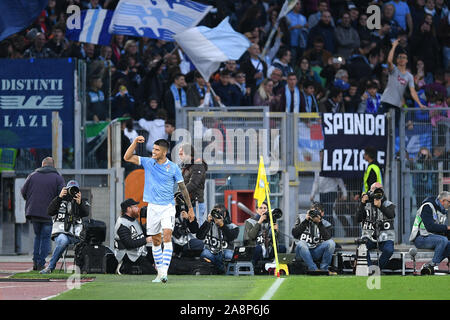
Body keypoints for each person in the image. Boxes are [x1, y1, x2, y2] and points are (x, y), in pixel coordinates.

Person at [123, 137, 194, 283]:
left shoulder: (173, 167)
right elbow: (127, 157)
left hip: (167, 207)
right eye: (153, 149)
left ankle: (163, 272)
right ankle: (160, 273)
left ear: (164, 152)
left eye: (156, 150)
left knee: (167, 235)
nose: (153, 152)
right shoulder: (149, 162)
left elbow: (183, 189)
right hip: (152, 207)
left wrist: (190, 208)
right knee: (156, 241)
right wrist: (135, 142)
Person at [21, 157, 65, 271]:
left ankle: (35, 262)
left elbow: (23, 191)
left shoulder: (32, 176)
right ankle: (41, 263)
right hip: (49, 214)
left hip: (34, 212)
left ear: (42, 164)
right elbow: (62, 195)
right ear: (53, 165)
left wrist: (31, 201)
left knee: (38, 236)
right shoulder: (57, 178)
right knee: (45, 238)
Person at [40, 180, 90, 274]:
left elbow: (86, 213)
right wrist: (59, 197)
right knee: (63, 240)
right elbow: (49, 212)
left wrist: (79, 204)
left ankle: (84, 269)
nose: (72, 192)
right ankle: (50, 267)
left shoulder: (82, 200)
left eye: (75, 189)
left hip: (76, 234)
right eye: (70, 189)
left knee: (87, 242)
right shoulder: (59, 199)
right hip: (60, 232)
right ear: (66, 189)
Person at [380, 39, 426, 124]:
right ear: (397, 60)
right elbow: (389, 61)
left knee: (394, 128)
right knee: (382, 127)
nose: (401, 59)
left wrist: (419, 103)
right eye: (399, 57)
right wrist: (393, 46)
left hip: (397, 105)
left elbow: (413, 92)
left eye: (404, 57)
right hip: (386, 102)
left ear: (407, 61)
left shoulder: (409, 76)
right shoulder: (393, 70)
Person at [356, 182, 395, 270]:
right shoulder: (365, 203)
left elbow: (391, 215)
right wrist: (362, 204)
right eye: (376, 189)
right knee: (362, 247)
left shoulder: (388, 204)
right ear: (370, 191)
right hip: (368, 236)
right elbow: (358, 219)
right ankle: (370, 269)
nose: (378, 191)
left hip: (385, 237)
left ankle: (376, 268)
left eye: (380, 188)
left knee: (389, 250)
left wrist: (380, 206)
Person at [410, 191, 450, 273]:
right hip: (420, 238)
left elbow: (440, 230)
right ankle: (433, 265)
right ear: (443, 201)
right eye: (449, 202)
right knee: (443, 240)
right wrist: (447, 227)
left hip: (432, 238)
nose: (449, 204)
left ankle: (429, 265)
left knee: (448, 243)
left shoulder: (441, 211)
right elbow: (430, 227)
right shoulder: (427, 207)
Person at [291, 203, 336, 274]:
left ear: (322, 214)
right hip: (300, 252)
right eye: (312, 211)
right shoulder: (301, 218)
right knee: (301, 243)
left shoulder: (326, 224)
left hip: (315, 251)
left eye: (317, 212)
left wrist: (319, 223)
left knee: (331, 243)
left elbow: (327, 238)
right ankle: (314, 269)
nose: (314, 214)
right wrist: (306, 221)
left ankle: (324, 269)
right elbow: (294, 234)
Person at [114, 199, 156, 274]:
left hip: (138, 253)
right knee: (152, 272)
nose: (138, 209)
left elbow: (145, 234)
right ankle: (122, 267)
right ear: (129, 209)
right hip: (127, 255)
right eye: (135, 207)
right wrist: (146, 240)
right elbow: (128, 244)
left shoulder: (134, 220)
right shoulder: (122, 224)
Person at [196, 204, 239, 273]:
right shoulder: (209, 224)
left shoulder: (232, 226)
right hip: (211, 251)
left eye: (219, 213)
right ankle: (214, 270)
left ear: (224, 214)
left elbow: (231, 237)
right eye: (215, 213)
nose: (216, 215)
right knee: (205, 253)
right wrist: (207, 222)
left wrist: (222, 225)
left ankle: (221, 270)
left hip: (225, 251)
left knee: (229, 255)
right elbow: (199, 236)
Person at [243, 202, 284, 268]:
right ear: (256, 210)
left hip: (268, 248)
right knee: (258, 248)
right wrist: (259, 222)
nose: (263, 210)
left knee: (282, 248)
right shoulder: (249, 221)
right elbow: (251, 236)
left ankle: (277, 267)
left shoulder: (271, 221)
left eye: (265, 208)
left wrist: (276, 230)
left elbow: (278, 239)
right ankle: (253, 268)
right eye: (261, 208)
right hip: (255, 247)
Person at [178, 144, 208, 226]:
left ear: (188, 154)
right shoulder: (187, 166)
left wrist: (180, 194)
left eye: (181, 154)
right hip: (189, 202)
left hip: (196, 202)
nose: (179, 156)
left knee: (197, 228)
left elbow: (193, 184)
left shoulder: (198, 165)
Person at [172, 192, 204, 257]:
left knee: (200, 244)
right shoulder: (170, 210)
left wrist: (188, 219)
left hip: (186, 241)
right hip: (172, 239)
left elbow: (194, 230)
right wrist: (174, 205)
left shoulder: (188, 211)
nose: (180, 201)